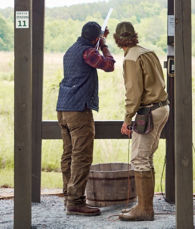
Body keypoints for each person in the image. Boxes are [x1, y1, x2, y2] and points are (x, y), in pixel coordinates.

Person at [56, 21, 115, 216]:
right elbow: (108, 65)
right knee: (82, 156)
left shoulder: (72, 50)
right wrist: (104, 45)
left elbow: (90, 54)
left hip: (63, 108)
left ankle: (68, 195)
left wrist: (99, 39)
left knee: (68, 154)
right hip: (78, 110)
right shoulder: (89, 52)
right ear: (96, 38)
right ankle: (76, 201)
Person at [114, 21, 170, 221]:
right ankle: (143, 206)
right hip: (163, 107)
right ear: (134, 36)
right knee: (146, 157)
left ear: (117, 39)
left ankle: (145, 210)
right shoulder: (148, 52)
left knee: (139, 159)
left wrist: (127, 119)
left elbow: (134, 93)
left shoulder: (131, 58)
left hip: (149, 111)